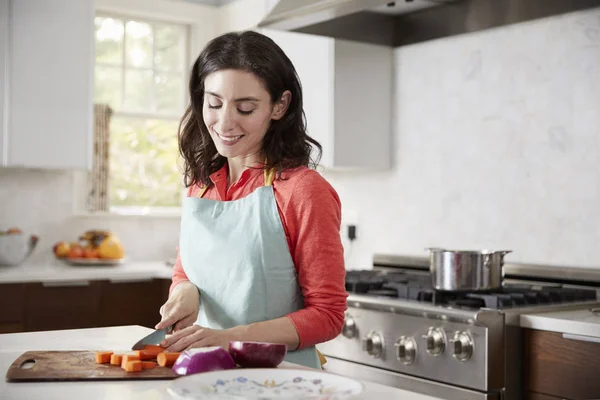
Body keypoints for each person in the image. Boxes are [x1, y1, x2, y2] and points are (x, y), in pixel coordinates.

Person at [154, 30, 348, 369]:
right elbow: (187, 271)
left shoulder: (302, 191)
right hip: (204, 372)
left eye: (245, 108)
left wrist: (228, 337)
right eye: (214, 104)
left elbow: (327, 315)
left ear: (279, 106)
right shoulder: (200, 188)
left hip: (280, 381)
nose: (224, 122)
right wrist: (185, 294)